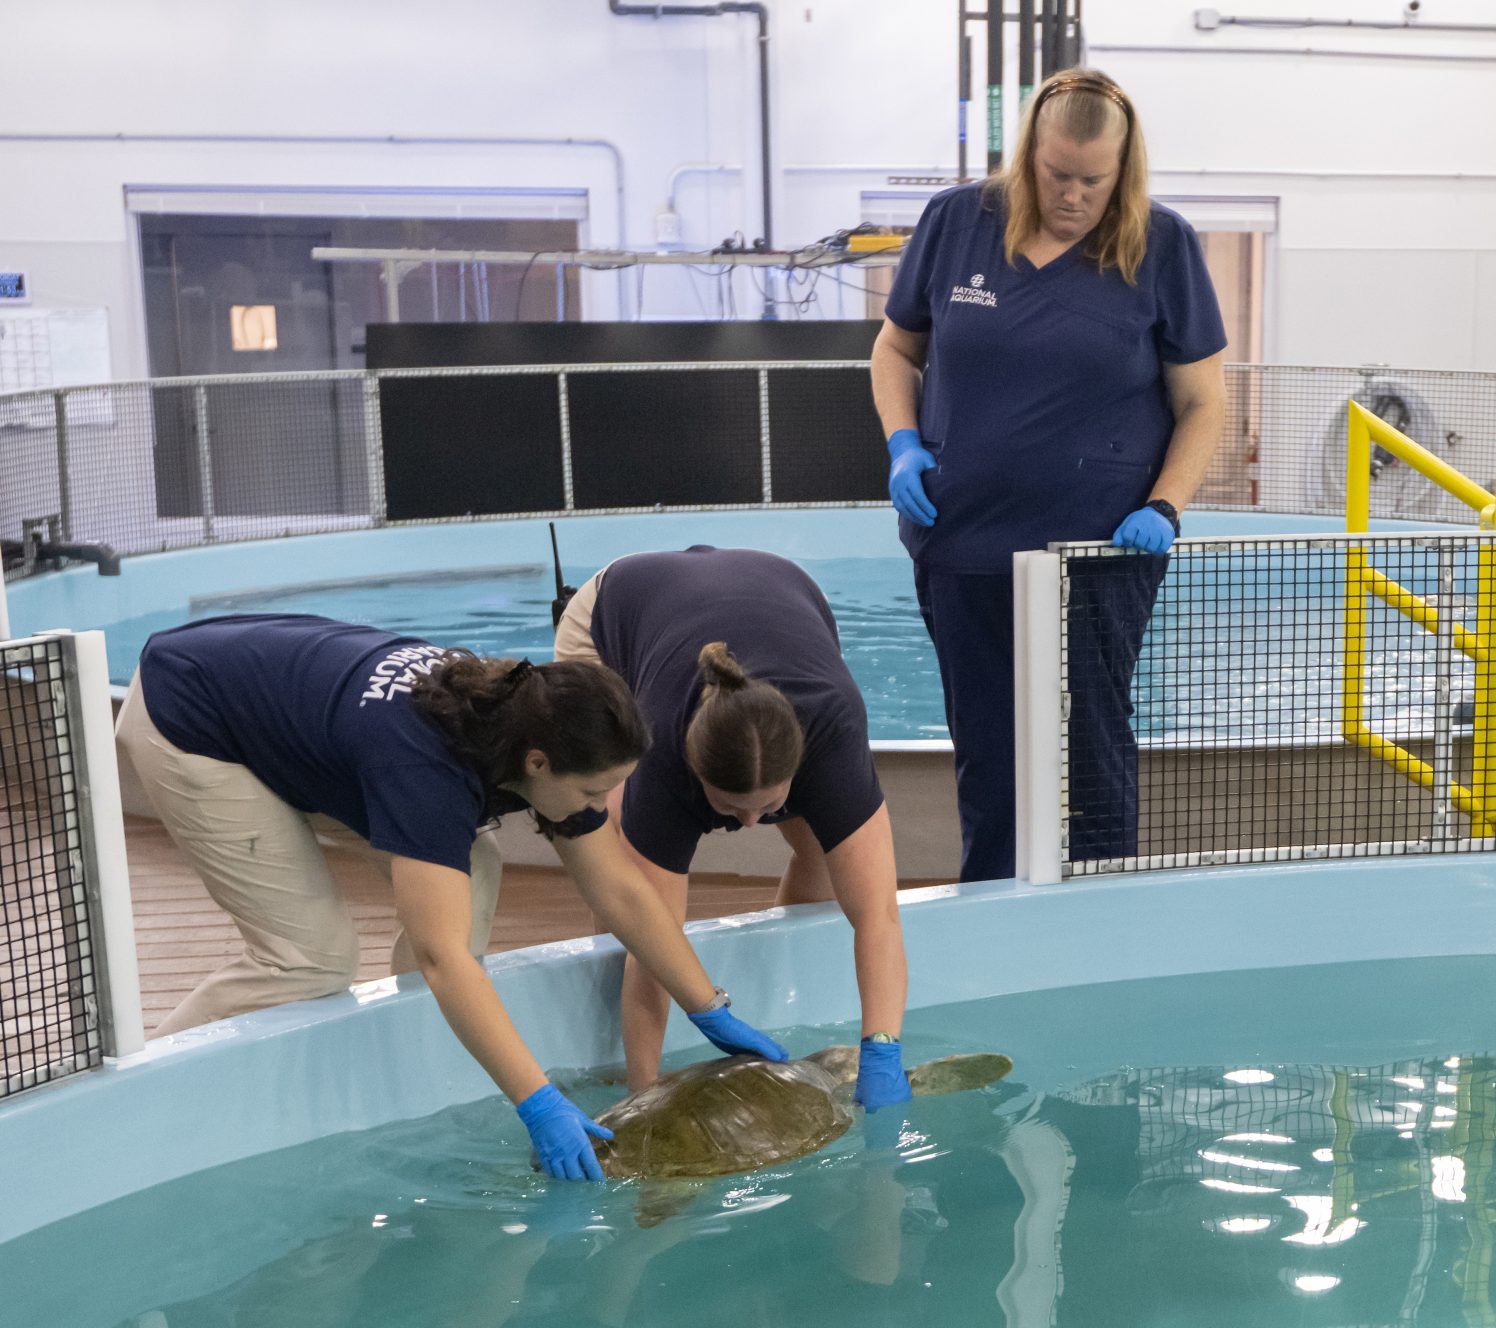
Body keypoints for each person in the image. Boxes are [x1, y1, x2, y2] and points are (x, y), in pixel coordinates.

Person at [116, 612, 788, 1181]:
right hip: (191, 721)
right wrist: (538, 1100)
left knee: (474, 868)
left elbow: (620, 890)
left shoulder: (531, 721)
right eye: (590, 794)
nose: (595, 808)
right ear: (537, 765)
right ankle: (133, 1102)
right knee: (310, 958)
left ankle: (409, 1055)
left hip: (282, 713)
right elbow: (442, 958)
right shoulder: (427, 766)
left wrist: (709, 1006)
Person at [869, 66, 1228, 882]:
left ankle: (1102, 918)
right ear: (1028, 154)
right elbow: (896, 347)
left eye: (1092, 182)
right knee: (989, 748)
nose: (1072, 195)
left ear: (1124, 171)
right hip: (962, 541)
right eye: (1055, 174)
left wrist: (1164, 508)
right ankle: (993, 913)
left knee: (1092, 743)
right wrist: (902, 444)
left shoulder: (1162, 244)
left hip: (1101, 553)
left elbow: (1204, 402)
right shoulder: (957, 221)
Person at [553, 546, 912, 1110]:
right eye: (729, 807)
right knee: (618, 852)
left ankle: (781, 980)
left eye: (768, 806)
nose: (750, 824)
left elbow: (879, 918)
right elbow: (652, 939)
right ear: (695, 777)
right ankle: (617, 1053)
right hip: (615, 612)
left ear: (802, 768)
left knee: (821, 850)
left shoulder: (833, 731)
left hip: (786, 590)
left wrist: (883, 1047)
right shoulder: (665, 756)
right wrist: (641, 1100)